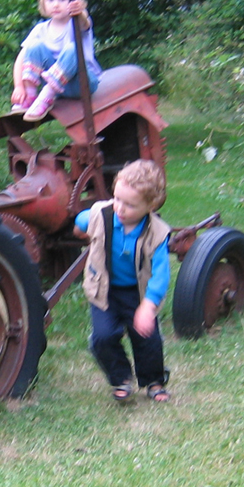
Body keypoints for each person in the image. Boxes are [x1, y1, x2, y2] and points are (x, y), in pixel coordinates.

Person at [73, 160, 172, 403]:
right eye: (117, 198)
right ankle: (121, 378)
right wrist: (79, 230)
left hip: (137, 293)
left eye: (130, 204)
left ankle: (154, 381)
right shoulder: (101, 214)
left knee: (147, 338)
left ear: (151, 205)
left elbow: (161, 273)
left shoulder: (157, 233)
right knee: (103, 337)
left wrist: (148, 306)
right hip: (104, 290)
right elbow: (81, 221)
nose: (120, 208)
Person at [10, 0, 103, 122]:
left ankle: (45, 96)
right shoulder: (40, 30)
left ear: (73, 1)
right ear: (43, 3)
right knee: (33, 47)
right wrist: (19, 86)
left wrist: (80, 12)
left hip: (82, 82)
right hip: (60, 89)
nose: (56, 4)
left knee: (72, 49)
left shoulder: (76, 22)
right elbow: (21, 59)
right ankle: (31, 96)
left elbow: (84, 22)